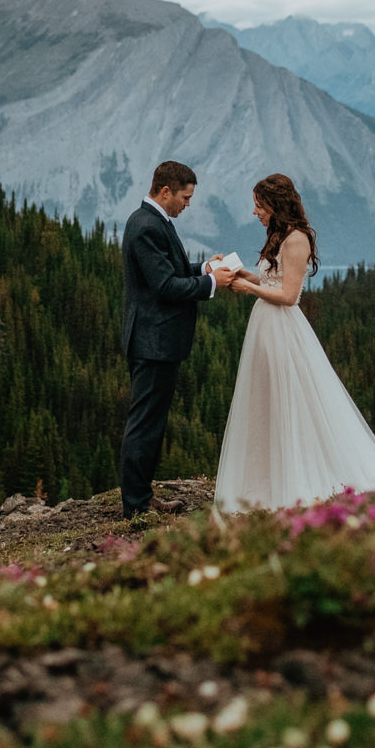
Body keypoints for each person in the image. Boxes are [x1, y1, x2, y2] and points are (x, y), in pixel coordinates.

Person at [215, 173, 375, 512]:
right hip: (265, 326)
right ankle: (268, 478)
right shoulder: (280, 236)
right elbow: (273, 281)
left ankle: (298, 474)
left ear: (275, 205)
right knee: (267, 398)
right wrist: (245, 275)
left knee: (289, 397)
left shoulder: (297, 239)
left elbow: (289, 296)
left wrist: (249, 289)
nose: (255, 212)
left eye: (259, 206)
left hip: (282, 327)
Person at [119, 160, 237, 519]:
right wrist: (213, 283)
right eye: (185, 198)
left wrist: (204, 269)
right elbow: (165, 286)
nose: (187, 204)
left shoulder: (153, 222)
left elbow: (169, 271)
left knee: (151, 422)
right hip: (153, 342)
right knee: (145, 423)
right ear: (166, 191)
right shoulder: (146, 226)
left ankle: (141, 497)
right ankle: (136, 504)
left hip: (157, 341)